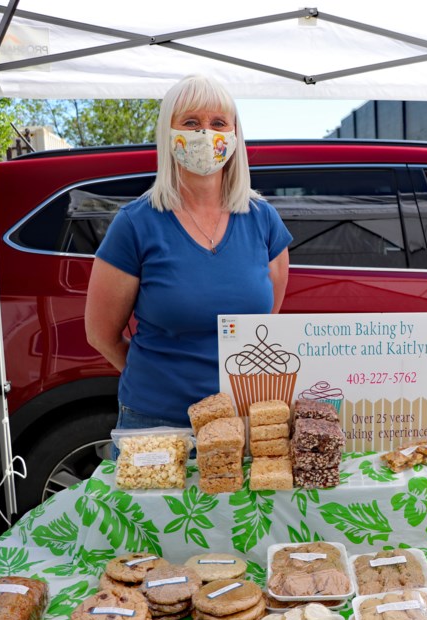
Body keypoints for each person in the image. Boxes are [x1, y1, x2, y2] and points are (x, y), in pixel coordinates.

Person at [85, 75, 292, 433]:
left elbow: (267, 317)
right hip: (156, 425)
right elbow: (101, 334)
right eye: (191, 122)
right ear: (168, 132)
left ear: (234, 134)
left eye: (218, 123)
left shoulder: (263, 220)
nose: (206, 134)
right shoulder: (135, 224)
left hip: (241, 420)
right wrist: (159, 380)